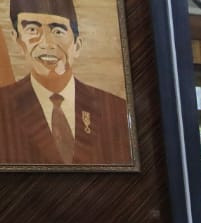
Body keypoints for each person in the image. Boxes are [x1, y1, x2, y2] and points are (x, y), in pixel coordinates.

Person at [0, 0, 131, 165]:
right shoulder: (2, 107)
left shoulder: (116, 109)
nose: (47, 44)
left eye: (58, 31)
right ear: (17, 40)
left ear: (77, 45)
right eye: (32, 30)